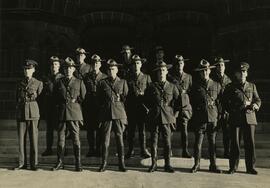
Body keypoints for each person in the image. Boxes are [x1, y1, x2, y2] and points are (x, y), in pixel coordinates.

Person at [223, 62, 261, 175]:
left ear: (247, 73)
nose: (243, 74)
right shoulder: (230, 87)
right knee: (235, 143)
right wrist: (232, 110)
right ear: (236, 74)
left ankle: (251, 167)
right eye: (240, 72)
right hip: (236, 118)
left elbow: (258, 99)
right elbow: (224, 102)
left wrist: (256, 105)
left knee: (250, 143)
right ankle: (233, 167)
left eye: (244, 72)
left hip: (250, 117)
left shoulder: (252, 86)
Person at [145, 60, 180, 173]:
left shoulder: (172, 86)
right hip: (155, 117)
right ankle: (154, 164)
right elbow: (146, 101)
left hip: (167, 117)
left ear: (166, 72)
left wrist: (174, 116)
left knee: (167, 142)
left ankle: (167, 164)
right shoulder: (151, 86)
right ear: (157, 73)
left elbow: (178, 103)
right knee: (154, 141)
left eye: (163, 70)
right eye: (159, 71)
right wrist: (150, 112)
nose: (161, 72)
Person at [52, 57, 86, 172]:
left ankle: (78, 163)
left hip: (74, 113)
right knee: (60, 139)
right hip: (62, 113)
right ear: (64, 69)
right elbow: (56, 98)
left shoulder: (79, 82)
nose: (68, 70)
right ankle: (60, 162)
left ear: (73, 69)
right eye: (66, 68)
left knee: (76, 139)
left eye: (70, 68)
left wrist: (74, 103)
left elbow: (82, 97)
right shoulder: (59, 82)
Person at [190, 59, 222, 173]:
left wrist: (219, 116)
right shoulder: (195, 86)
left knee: (212, 143)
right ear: (199, 73)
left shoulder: (216, 85)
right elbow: (192, 102)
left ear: (209, 71)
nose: (204, 73)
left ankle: (213, 165)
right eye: (202, 71)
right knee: (198, 143)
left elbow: (220, 102)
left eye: (206, 70)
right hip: (200, 118)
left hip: (212, 117)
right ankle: (197, 164)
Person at [97, 59, 129, 172]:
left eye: (113, 69)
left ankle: (121, 163)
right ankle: (104, 163)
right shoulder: (102, 83)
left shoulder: (123, 82)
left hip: (119, 114)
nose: (111, 71)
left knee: (120, 139)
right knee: (105, 140)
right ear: (107, 71)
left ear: (117, 70)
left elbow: (125, 98)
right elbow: (99, 99)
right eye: (109, 69)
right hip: (106, 114)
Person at [14, 59, 43, 170]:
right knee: (21, 140)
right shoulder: (19, 83)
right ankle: (22, 163)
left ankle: (33, 163)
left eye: (29, 69)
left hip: (33, 113)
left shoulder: (38, 83)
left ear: (34, 70)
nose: (27, 71)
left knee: (33, 139)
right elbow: (17, 98)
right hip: (21, 113)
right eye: (25, 69)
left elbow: (40, 99)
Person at [125, 55, 151, 159]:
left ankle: (143, 150)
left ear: (141, 64)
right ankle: (131, 150)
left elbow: (151, 92)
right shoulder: (128, 78)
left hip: (142, 107)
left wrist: (144, 94)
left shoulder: (146, 77)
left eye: (138, 63)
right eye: (134, 63)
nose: (136, 65)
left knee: (142, 130)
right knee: (130, 131)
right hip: (131, 107)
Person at [169, 55, 192, 158]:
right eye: (177, 64)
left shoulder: (188, 77)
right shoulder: (170, 76)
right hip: (174, 106)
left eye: (181, 63)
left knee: (184, 129)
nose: (179, 65)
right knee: (171, 129)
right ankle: (168, 150)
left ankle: (185, 150)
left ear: (184, 64)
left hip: (184, 106)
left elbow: (191, 91)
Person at [83, 54, 107, 157]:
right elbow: (83, 90)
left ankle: (98, 149)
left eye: (97, 63)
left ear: (100, 64)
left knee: (100, 129)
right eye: (93, 63)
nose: (95, 65)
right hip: (89, 105)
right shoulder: (86, 76)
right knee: (90, 129)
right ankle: (91, 148)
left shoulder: (105, 77)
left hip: (100, 106)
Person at [41, 56, 64, 156]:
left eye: (55, 64)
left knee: (60, 130)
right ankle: (48, 148)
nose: (53, 66)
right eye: (52, 64)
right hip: (49, 107)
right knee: (49, 129)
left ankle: (62, 149)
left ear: (59, 66)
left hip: (59, 108)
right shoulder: (45, 78)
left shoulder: (63, 78)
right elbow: (42, 94)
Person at [211, 57, 231, 158]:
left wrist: (227, 110)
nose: (220, 67)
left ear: (224, 67)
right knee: (213, 133)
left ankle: (227, 152)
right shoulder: (212, 79)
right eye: (218, 65)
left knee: (226, 132)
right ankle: (213, 153)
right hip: (215, 110)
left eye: (222, 65)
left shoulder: (228, 80)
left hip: (226, 110)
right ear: (215, 67)